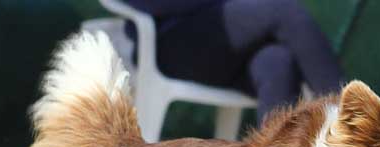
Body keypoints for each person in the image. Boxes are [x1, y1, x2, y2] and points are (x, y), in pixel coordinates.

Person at [124, 0, 344, 124]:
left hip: (228, 49)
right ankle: (355, 121)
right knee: (284, 10)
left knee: (277, 63)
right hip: (168, 43)